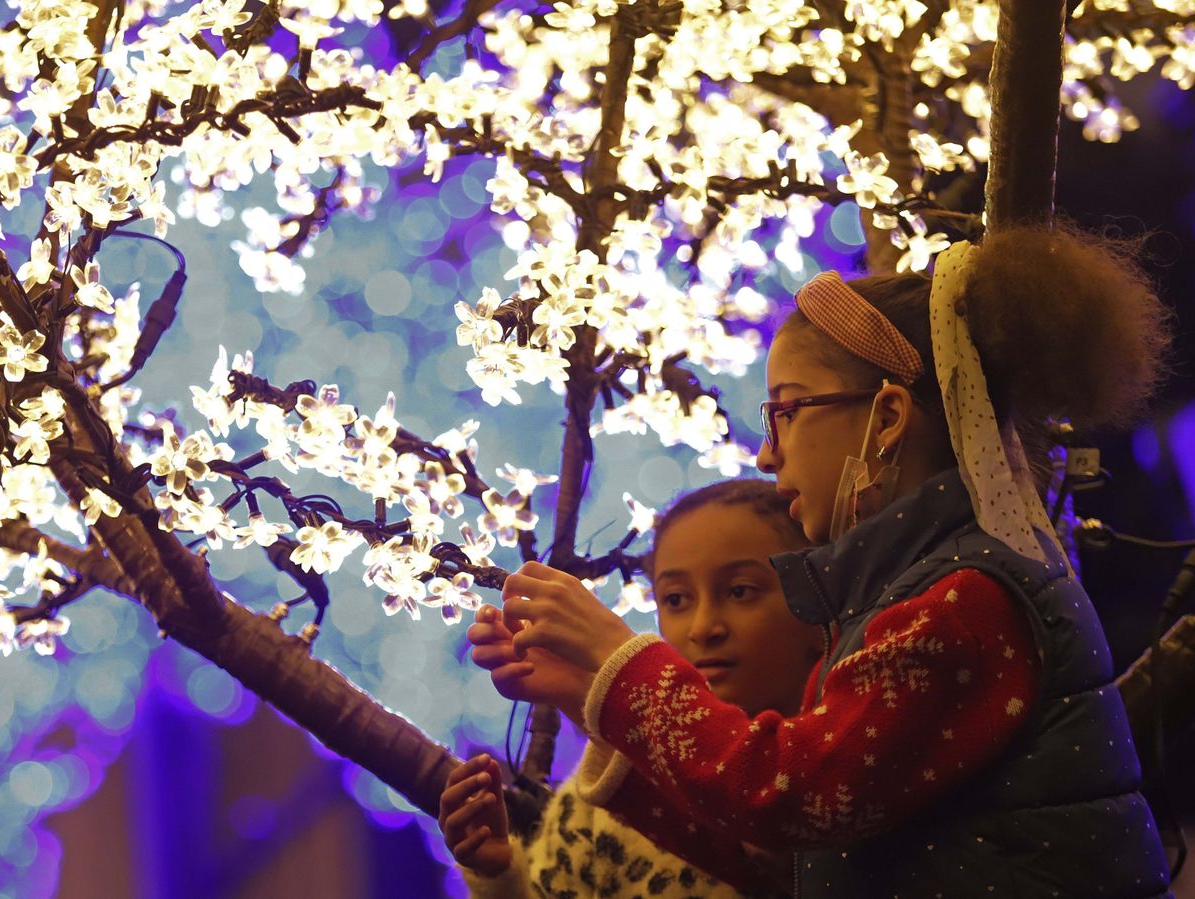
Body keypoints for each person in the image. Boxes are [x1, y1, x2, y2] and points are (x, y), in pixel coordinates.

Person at [474, 228, 1175, 896]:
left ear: (888, 418)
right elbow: (789, 866)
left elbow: (787, 795)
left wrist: (620, 659)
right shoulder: (918, 590)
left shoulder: (966, 600)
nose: (765, 452)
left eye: (788, 410)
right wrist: (589, 692)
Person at [441, 479, 823, 897]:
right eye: (676, 600)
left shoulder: (841, 767)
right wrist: (500, 879)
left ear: (815, 600)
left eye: (739, 591)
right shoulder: (605, 794)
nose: (702, 628)